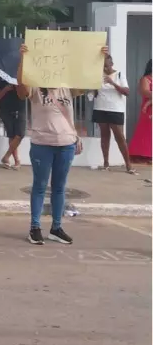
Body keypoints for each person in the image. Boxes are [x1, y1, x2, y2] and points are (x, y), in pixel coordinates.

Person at [18, 43, 109, 245]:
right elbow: (21, 88)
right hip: (42, 143)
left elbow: (89, 80)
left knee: (60, 187)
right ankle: (35, 228)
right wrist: (23, 60)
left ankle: (56, 228)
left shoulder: (66, 85)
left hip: (66, 144)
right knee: (40, 186)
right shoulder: (35, 87)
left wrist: (99, 59)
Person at [92, 54, 135, 174]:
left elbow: (126, 92)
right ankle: (106, 163)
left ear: (111, 64)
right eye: (103, 66)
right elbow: (95, 93)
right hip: (100, 108)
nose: (105, 68)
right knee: (104, 136)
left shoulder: (120, 74)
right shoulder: (98, 75)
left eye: (106, 65)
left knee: (119, 137)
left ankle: (128, 165)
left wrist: (112, 83)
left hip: (115, 109)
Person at [0, 78, 25, 169]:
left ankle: (6, 157)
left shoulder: (21, 80)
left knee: (20, 134)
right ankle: (16, 161)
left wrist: (18, 87)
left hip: (20, 110)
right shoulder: (0, 80)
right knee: (11, 135)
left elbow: (25, 95)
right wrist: (5, 89)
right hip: (5, 111)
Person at [128, 59, 152, 165]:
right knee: (147, 131)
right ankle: (142, 154)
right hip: (148, 110)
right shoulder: (145, 79)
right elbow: (145, 92)